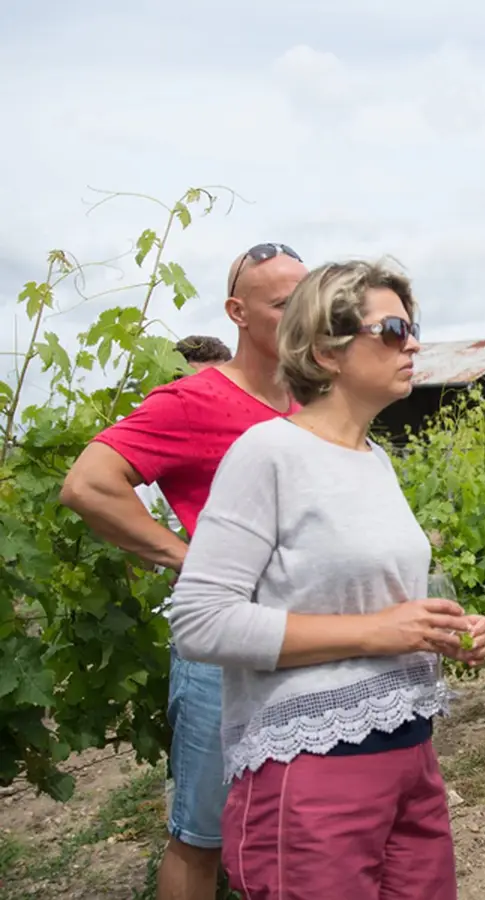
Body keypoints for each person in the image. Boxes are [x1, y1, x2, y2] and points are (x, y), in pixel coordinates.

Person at [169, 258, 485, 900]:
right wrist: (377, 632)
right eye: (393, 329)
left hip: (410, 752)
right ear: (326, 350)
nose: (414, 344)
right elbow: (200, 621)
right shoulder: (268, 453)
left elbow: (375, 609)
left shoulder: (374, 460)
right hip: (312, 769)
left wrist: (439, 629)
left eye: (412, 327)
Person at [59, 243, 307, 900]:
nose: (303, 314)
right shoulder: (196, 399)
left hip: (310, 641)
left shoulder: (314, 407)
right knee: (201, 836)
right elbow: (88, 484)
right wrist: (188, 558)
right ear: (238, 312)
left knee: (300, 825)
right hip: (224, 651)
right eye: (284, 303)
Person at [135, 334, 233, 532]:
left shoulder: (252, 443)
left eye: (220, 385)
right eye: (200, 386)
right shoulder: (153, 456)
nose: (212, 396)